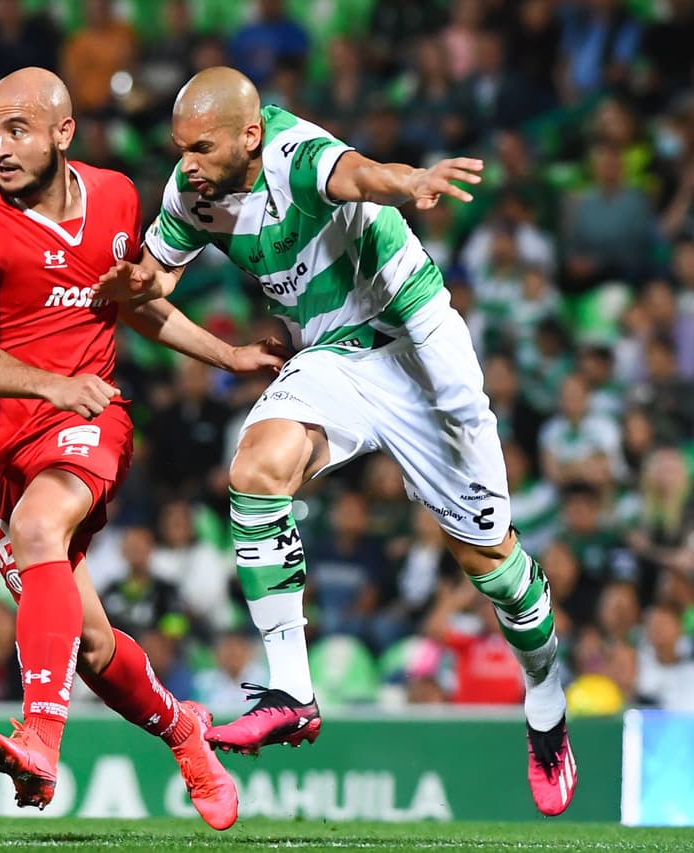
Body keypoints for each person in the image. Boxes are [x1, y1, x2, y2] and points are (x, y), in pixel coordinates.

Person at [94, 67, 576, 816]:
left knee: (489, 560)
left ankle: (545, 688)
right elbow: (152, 287)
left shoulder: (295, 154)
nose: (186, 161)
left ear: (249, 135)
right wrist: (152, 298)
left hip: (416, 344)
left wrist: (408, 179)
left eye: (200, 146)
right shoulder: (192, 195)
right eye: (180, 147)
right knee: (254, 469)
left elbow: (355, 174)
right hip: (331, 356)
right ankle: (292, 687)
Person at [0, 67, 280, 829]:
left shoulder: (118, 199)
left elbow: (137, 305)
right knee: (89, 644)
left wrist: (227, 357)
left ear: (64, 133)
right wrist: (47, 386)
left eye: (17, 128)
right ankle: (185, 732)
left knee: (39, 527)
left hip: (87, 418)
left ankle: (40, 737)